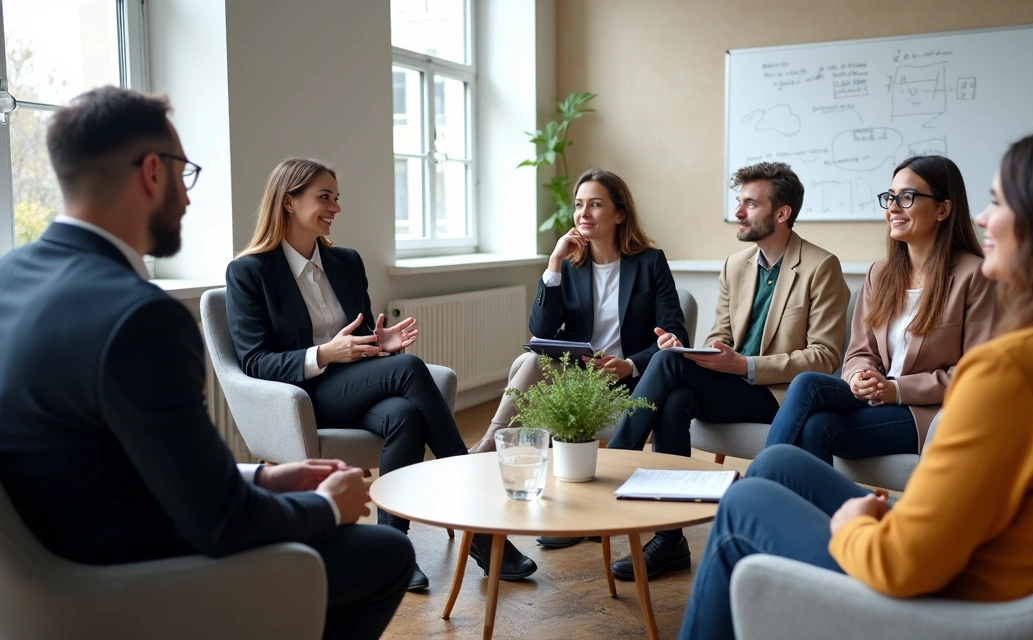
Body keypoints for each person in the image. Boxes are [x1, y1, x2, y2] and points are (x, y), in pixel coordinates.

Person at [678, 124, 1033, 640]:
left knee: (747, 506)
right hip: (989, 563)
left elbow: (901, 564)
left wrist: (853, 523)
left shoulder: (1014, 369)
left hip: (950, 608)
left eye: (999, 201)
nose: (984, 217)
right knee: (777, 464)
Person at [0, 87, 410, 640]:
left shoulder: (12, 278)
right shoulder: (139, 317)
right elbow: (221, 524)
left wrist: (261, 475)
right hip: (126, 577)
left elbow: (107, 455)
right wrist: (324, 506)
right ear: (152, 172)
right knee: (385, 552)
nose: (188, 199)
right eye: (184, 173)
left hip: (50, 562)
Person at [225, 158, 537, 591]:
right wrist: (325, 353)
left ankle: (394, 549)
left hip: (353, 387)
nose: (335, 207)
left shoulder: (346, 262)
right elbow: (255, 361)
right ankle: (481, 530)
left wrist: (379, 343)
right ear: (288, 202)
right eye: (324, 197)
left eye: (336, 197)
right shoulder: (249, 272)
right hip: (300, 397)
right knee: (410, 369)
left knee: (403, 416)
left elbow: (361, 336)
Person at [606, 161, 851, 580]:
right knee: (676, 394)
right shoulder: (735, 265)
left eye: (750, 204)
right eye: (739, 202)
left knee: (668, 369)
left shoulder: (820, 267)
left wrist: (746, 365)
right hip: (733, 384)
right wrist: (698, 351)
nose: (738, 212)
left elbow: (825, 357)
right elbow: (721, 336)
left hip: (782, 397)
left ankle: (611, 466)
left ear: (781, 213)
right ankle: (671, 538)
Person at [469, 168, 689, 549]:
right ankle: (509, 458)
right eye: (578, 205)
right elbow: (539, 330)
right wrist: (554, 264)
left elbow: (676, 337)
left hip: (630, 379)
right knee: (532, 361)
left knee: (526, 367)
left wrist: (630, 363)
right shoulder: (570, 266)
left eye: (595, 204)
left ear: (619, 214)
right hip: (577, 376)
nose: (583, 213)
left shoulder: (650, 263)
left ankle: (491, 446)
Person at [763, 155, 997, 464]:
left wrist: (896, 390)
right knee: (808, 387)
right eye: (890, 198)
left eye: (907, 197)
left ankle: (757, 488)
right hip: (875, 397)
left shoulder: (975, 275)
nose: (894, 208)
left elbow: (972, 375)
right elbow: (860, 351)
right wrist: (862, 374)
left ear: (943, 209)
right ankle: (777, 495)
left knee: (819, 425)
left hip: (923, 412)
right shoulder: (880, 273)